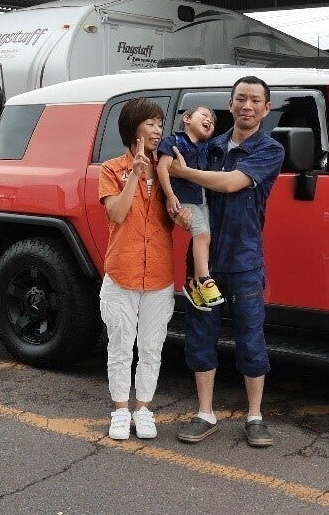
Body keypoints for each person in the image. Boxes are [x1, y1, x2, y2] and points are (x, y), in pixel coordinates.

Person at [169, 76, 285, 448]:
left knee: (251, 339)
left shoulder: (270, 150)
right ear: (230, 104)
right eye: (241, 99)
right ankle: (205, 413)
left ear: (266, 108)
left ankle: (255, 416)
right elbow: (185, 191)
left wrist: (184, 172)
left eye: (255, 100)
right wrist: (179, 209)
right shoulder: (209, 145)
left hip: (245, 261)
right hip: (203, 264)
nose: (247, 106)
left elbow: (230, 183)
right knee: (200, 336)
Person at [97, 98, 183, 441]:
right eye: (151, 123)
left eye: (160, 123)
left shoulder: (167, 170)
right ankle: (120, 410)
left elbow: (181, 216)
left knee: (151, 346)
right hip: (122, 271)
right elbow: (117, 214)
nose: (158, 129)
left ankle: (144, 409)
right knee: (120, 345)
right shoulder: (111, 169)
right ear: (133, 127)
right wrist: (134, 173)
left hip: (159, 273)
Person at [155, 106, 223, 311]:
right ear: (186, 119)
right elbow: (162, 168)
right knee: (202, 234)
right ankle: (204, 279)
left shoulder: (207, 146)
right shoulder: (174, 141)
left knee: (206, 235)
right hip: (183, 199)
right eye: (204, 115)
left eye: (212, 120)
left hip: (200, 198)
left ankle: (193, 285)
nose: (209, 120)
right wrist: (170, 196)